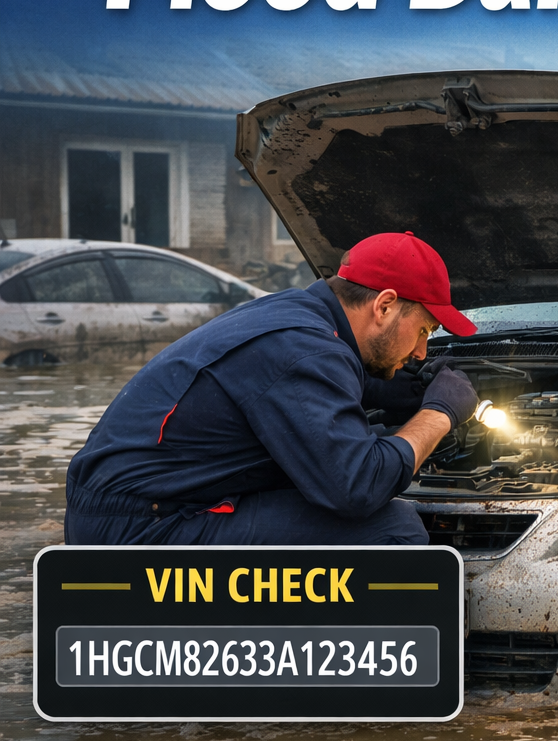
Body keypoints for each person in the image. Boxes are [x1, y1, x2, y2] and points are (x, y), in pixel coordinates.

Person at [64, 231, 481, 545]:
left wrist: (399, 387)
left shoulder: (295, 315)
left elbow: (307, 386)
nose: (423, 351)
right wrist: (438, 412)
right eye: (424, 330)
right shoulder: (306, 351)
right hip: (143, 530)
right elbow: (357, 487)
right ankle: (382, 662)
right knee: (392, 529)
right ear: (385, 305)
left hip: (125, 509)